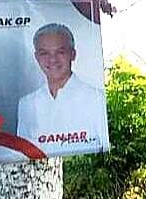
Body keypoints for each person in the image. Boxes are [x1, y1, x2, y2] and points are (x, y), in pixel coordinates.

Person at [17, 23, 108, 156]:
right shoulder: (27, 103)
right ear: (36, 57)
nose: (52, 59)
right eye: (44, 53)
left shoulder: (95, 99)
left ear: (73, 54)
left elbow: (103, 151)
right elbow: (23, 153)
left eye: (60, 52)